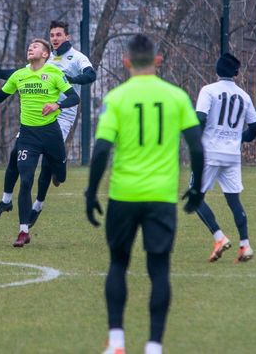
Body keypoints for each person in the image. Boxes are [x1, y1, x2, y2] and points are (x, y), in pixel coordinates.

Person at [85, 34, 204, 354]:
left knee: (118, 264)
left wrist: (90, 193)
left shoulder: (116, 98)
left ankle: (117, 342)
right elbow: (196, 147)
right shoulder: (176, 96)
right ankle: (153, 346)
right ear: (158, 61)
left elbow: (101, 151)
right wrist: (197, 188)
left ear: (126, 62)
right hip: (161, 197)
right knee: (159, 270)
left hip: (124, 195)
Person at [0, 20, 96, 227]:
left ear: (67, 37)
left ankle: (38, 205)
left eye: (59, 35)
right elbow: (17, 74)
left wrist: (71, 79)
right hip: (37, 116)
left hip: (63, 115)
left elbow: (91, 75)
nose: (55, 38)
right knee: (15, 153)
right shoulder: (45, 58)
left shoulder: (77, 57)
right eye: (52, 35)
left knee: (47, 164)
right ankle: (6, 201)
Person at [0, 38, 79, 247]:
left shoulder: (55, 73)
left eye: (35, 47)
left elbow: (74, 98)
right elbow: (0, 96)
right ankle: (23, 231)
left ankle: (50, 183)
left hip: (51, 135)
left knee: (61, 177)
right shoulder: (19, 75)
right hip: (28, 137)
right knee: (26, 180)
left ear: (45, 54)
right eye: (29, 46)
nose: (30, 48)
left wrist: (57, 105)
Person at [192, 53, 256, 263]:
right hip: (232, 155)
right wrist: (241, 138)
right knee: (233, 200)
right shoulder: (244, 96)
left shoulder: (208, 90)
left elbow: (200, 119)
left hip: (210, 152)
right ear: (236, 73)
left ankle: (219, 237)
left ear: (217, 70)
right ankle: (245, 245)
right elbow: (255, 126)